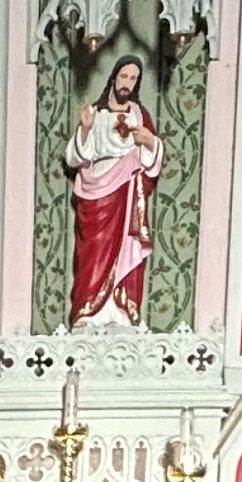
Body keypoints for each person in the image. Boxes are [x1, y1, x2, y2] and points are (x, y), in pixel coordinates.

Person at [67, 53, 163, 329]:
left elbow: (151, 160)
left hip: (127, 192)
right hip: (96, 193)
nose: (127, 83)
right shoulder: (95, 115)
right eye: (124, 76)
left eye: (133, 78)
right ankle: (88, 310)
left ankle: (120, 310)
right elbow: (76, 157)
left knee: (124, 248)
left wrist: (150, 142)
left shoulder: (139, 115)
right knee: (94, 252)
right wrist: (85, 130)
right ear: (114, 78)